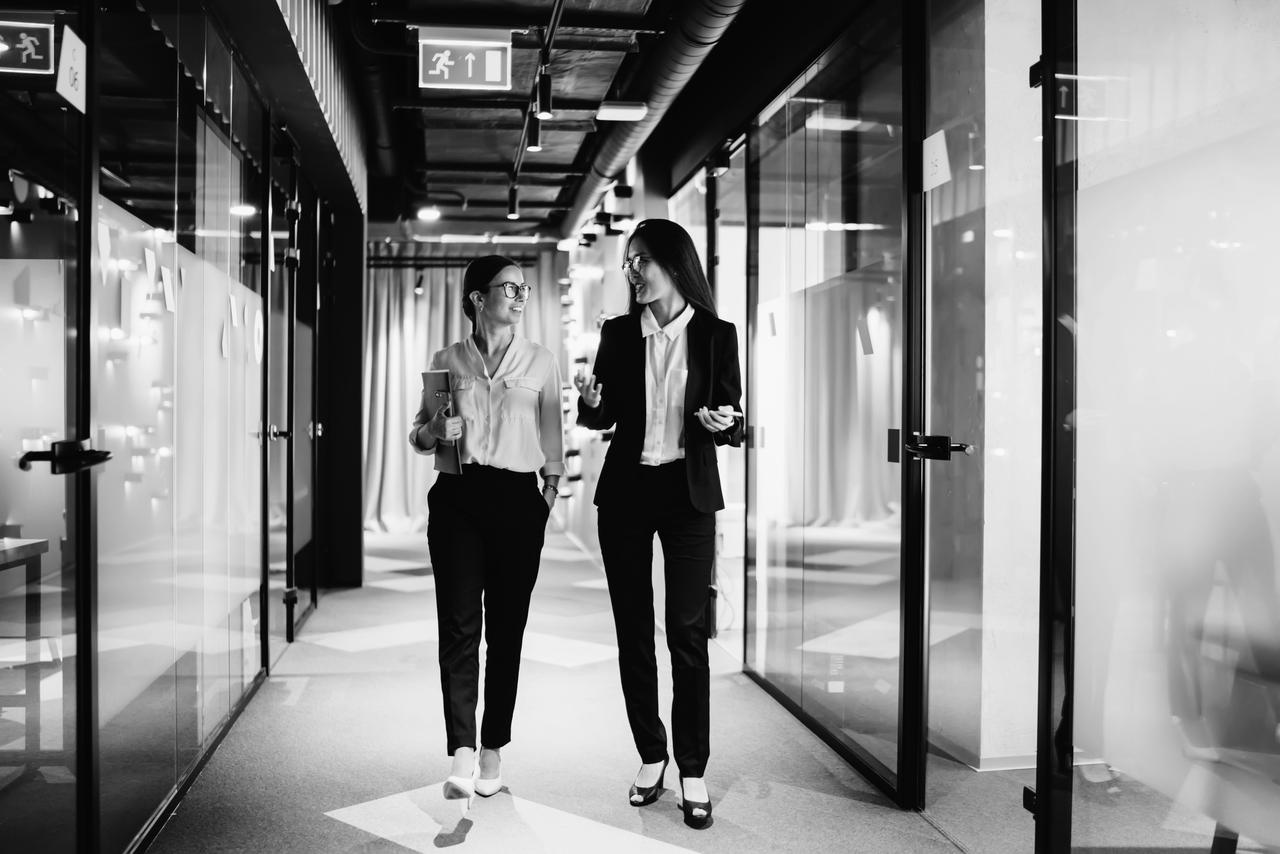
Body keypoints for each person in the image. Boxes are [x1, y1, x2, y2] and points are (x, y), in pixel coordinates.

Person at [574, 219, 743, 829]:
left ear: (675, 263)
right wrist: (591, 403)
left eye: (642, 260)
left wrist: (727, 422)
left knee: (687, 633)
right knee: (632, 630)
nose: (633, 272)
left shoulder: (718, 335)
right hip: (627, 492)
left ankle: (692, 766)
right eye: (628, 263)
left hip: (688, 493)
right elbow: (603, 414)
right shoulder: (619, 334)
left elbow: (735, 415)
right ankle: (652, 754)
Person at [409, 254, 563, 800]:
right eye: (509, 289)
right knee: (457, 627)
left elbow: (552, 440)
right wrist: (434, 426)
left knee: (507, 630)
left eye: (524, 290)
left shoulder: (542, 360)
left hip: (519, 503)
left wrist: (546, 498)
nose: (520, 298)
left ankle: (494, 744)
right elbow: (420, 439)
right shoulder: (447, 360)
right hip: (458, 498)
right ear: (478, 297)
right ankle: (461, 749)